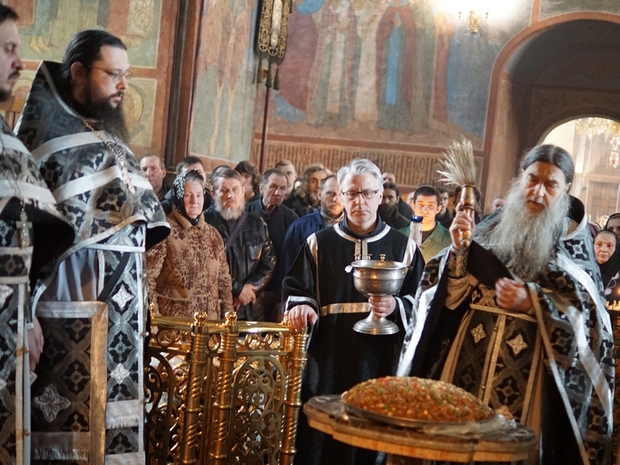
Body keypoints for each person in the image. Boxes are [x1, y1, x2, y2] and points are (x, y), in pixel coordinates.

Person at [399, 145, 614, 464]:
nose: (538, 191)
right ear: (521, 177)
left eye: (551, 184)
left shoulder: (574, 250)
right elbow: (448, 299)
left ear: (566, 190)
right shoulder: (487, 229)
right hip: (465, 369)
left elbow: (590, 331)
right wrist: (458, 252)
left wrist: (536, 303)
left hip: (531, 382)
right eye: (532, 179)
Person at [16, 29, 169, 463]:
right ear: (79, 72)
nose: (123, 85)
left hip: (121, 318)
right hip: (69, 316)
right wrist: (26, 315)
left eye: (127, 75)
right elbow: (25, 243)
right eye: (112, 74)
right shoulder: (44, 145)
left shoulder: (112, 141)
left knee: (113, 434)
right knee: (70, 434)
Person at [283, 158, 424, 465]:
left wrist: (396, 306)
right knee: (324, 441)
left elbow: (423, 303)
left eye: (368, 193)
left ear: (380, 195)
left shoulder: (404, 247)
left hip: (382, 360)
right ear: (342, 196)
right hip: (329, 357)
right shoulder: (318, 243)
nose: (360, 201)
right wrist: (303, 306)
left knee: (374, 440)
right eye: (351, 193)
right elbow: (296, 287)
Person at [0, 6, 74, 463]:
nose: (20, 61)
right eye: (8, 48)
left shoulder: (9, 143)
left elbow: (30, 240)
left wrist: (26, 314)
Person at [146, 170, 233, 319]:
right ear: (179, 197)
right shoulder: (164, 231)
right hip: (174, 326)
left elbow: (224, 281)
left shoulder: (213, 235)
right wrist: (153, 319)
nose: (194, 201)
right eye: (188, 195)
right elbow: (147, 279)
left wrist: (228, 319)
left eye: (199, 195)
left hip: (210, 327)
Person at [204, 168, 275, 321]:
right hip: (214, 309)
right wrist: (236, 289)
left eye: (235, 189)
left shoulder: (257, 224)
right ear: (213, 193)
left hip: (250, 309)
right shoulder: (204, 223)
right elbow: (201, 265)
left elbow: (269, 262)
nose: (230, 195)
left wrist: (248, 290)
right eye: (224, 190)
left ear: (243, 191)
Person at [245, 169, 298, 321]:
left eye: (282, 188)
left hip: (275, 292)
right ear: (262, 188)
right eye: (273, 187)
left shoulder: (291, 219)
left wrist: (280, 293)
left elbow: (290, 259)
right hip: (246, 290)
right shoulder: (245, 212)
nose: (278, 192)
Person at [280, 174, 344, 281]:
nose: (335, 199)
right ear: (320, 194)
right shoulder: (299, 227)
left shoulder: (354, 228)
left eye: (341, 194)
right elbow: (288, 268)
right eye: (330, 193)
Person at [411, 185, 451, 262]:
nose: (425, 210)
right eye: (421, 205)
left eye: (431, 205)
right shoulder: (400, 235)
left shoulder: (449, 240)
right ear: (413, 206)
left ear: (438, 209)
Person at [594, 229, 620, 304]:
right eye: (599, 244)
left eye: (609, 246)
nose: (603, 249)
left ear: (616, 248)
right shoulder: (582, 271)